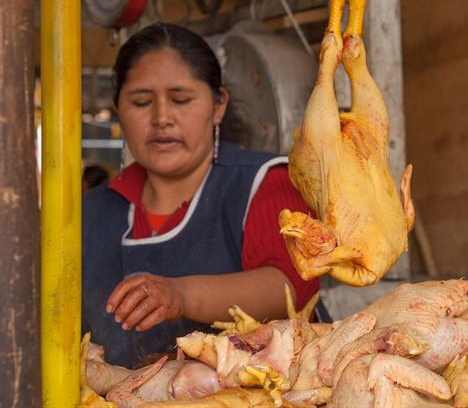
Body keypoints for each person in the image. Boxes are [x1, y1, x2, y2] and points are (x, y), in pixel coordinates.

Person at [82, 22, 319, 367]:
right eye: (141, 102)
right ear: (119, 109)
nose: (162, 118)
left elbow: (292, 287)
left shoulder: (265, 184)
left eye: (181, 100)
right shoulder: (92, 212)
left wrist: (181, 295)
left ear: (218, 105)